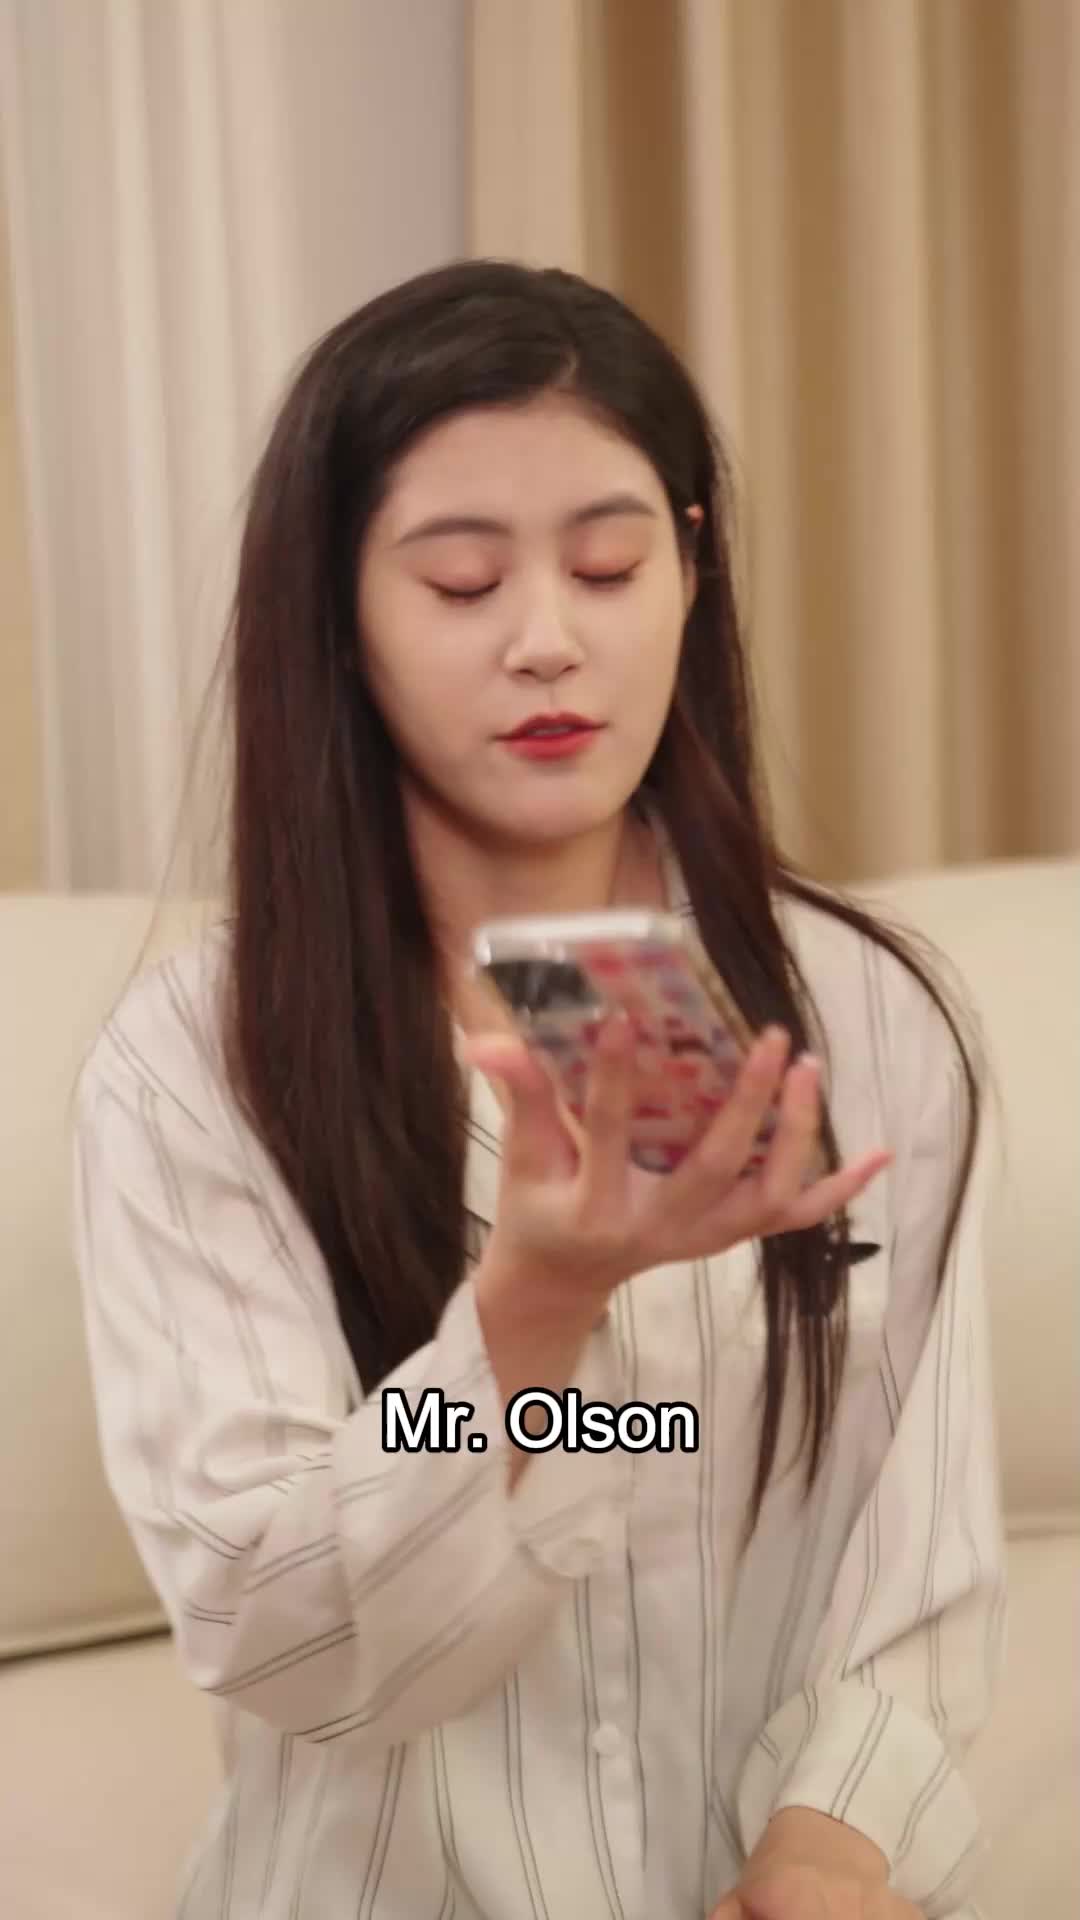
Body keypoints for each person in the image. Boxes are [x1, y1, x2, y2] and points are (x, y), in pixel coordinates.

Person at [72, 260, 1004, 1920]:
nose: (549, 641)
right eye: (460, 581)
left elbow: (913, 1554)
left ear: (692, 568)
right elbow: (279, 1629)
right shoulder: (194, 1065)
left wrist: (829, 1847)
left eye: (608, 565)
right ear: (338, 616)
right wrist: (530, 1316)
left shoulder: (868, 1016)